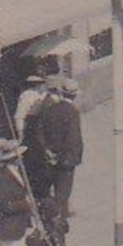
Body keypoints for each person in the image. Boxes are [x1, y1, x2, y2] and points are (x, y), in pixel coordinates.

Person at [29, 76, 82, 219]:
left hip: (50, 154)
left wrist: (46, 149)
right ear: (75, 95)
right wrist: (74, 158)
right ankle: (57, 217)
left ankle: (54, 212)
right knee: (63, 190)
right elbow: (73, 138)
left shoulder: (51, 108)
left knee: (50, 185)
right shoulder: (72, 112)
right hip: (65, 158)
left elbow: (39, 130)